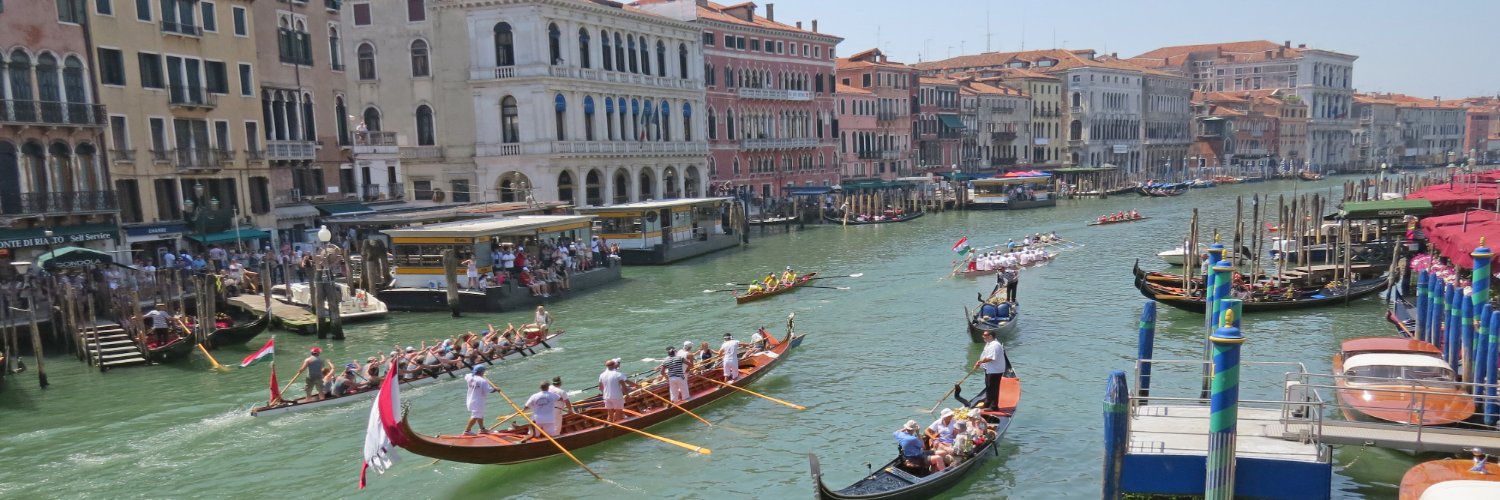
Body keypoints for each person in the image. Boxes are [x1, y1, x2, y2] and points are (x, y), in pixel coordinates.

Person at [973, 330, 1009, 412]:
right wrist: (979, 363)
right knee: (989, 387)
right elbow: (985, 356)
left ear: (991, 336)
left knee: (993, 388)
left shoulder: (995, 345)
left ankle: (994, 407)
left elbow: (991, 358)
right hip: (989, 369)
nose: (983, 336)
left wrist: (980, 362)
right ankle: (987, 404)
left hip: (995, 370)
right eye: (983, 335)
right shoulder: (989, 344)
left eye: (985, 335)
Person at [464, 365, 496, 435]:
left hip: (471, 399)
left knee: (479, 415)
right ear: (482, 372)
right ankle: (467, 431)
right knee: (475, 416)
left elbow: (467, 375)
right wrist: (496, 389)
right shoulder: (482, 381)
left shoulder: (469, 376)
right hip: (478, 401)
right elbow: (489, 390)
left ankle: (482, 429)